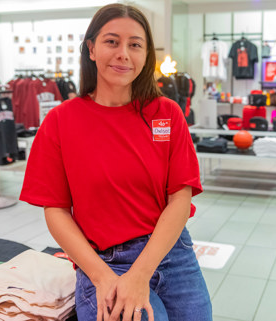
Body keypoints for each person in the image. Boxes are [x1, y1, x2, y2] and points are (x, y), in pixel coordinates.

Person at [19, 4, 212, 321]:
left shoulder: (166, 113)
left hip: (172, 254)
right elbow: (55, 209)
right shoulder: (60, 121)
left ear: (145, 54)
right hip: (105, 261)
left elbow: (180, 196)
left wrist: (140, 275)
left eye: (135, 44)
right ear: (91, 48)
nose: (124, 53)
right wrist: (100, 276)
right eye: (112, 41)